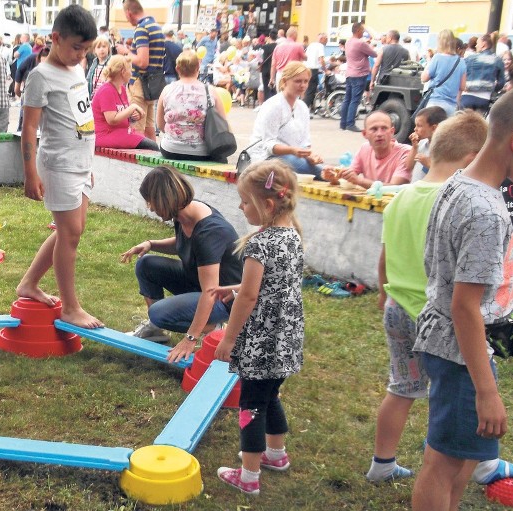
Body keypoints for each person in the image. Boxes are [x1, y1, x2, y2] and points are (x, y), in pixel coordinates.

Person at [371, 111, 513, 487]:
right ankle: (475, 462)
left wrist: (383, 293)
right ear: (472, 156)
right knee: (450, 397)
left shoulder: (401, 198)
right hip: (436, 315)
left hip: (397, 308)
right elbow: (454, 280)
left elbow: (384, 257)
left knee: (402, 388)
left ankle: (382, 461)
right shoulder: (460, 201)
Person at [411, 82, 513, 511]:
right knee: (442, 464)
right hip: (462, 353)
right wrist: (487, 391)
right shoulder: (486, 211)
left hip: (446, 342)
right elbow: (465, 306)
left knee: (458, 460)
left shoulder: (459, 182)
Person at [212, 161, 303, 496]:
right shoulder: (293, 235)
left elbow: (251, 296)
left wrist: (230, 338)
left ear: (266, 205)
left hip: (261, 343)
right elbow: (272, 285)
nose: (240, 207)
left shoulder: (260, 244)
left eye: (245, 201)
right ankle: (276, 455)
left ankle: (248, 477)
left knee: (251, 403)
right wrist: (234, 288)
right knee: (270, 394)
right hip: (286, 340)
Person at [17, 5, 103, 328]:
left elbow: (81, 116)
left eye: (86, 49)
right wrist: (30, 173)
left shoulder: (76, 69)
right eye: (77, 47)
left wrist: (87, 162)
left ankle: (28, 283)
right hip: (58, 165)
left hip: (80, 164)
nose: (81, 55)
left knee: (70, 231)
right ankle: (70, 307)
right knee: (70, 234)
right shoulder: (40, 76)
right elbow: (29, 127)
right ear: (56, 38)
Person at [120, 165, 243, 359]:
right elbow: (182, 243)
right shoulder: (183, 213)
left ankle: (215, 328)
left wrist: (190, 339)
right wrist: (150, 244)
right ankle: (156, 331)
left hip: (224, 299)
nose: (150, 208)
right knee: (146, 264)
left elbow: (210, 292)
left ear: (165, 200)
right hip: (198, 282)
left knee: (159, 313)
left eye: (151, 202)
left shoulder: (208, 232)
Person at [247, 61, 325, 177]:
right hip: (265, 157)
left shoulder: (302, 107)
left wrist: (310, 155)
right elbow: (269, 145)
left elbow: (305, 143)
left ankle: (326, 172)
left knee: (309, 165)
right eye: (298, 81)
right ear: (284, 81)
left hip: (292, 157)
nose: (302, 85)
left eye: (306, 81)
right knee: (313, 169)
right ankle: (325, 173)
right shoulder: (274, 106)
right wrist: (293, 150)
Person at [156, 50, 229, 162]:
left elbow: (160, 125)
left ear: (177, 69)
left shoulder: (167, 90)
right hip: (202, 151)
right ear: (197, 68)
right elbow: (223, 122)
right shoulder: (210, 91)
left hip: (171, 149)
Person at [117, 0, 166, 141]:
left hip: (139, 83)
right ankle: (153, 159)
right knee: (149, 129)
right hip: (152, 85)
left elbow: (142, 61)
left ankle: (137, 162)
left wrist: (125, 52)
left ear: (129, 13)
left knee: (136, 129)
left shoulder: (142, 28)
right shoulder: (156, 27)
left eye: (126, 16)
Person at [92, 55, 157, 150]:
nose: (131, 74)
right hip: (107, 135)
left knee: (151, 145)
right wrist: (132, 107)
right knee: (151, 146)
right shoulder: (106, 90)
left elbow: (123, 115)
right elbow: (112, 119)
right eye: (130, 70)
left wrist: (133, 116)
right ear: (123, 72)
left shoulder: (121, 88)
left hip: (121, 132)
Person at [333, 111, 412, 187]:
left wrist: (359, 181)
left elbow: (395, 187)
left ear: (392, 132)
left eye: (384, 128)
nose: (379, 134)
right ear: (365, 134)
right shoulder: (364, 149)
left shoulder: (406, 152)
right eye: (374, 129)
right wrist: (333, 178)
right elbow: (349, 177)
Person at [339, 23, 376, 132]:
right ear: (359, 31)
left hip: (350, 73)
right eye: (363, 30)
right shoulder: (360, 43)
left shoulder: (348, 42)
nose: (364, 32)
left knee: (347, 99)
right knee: (355, 100)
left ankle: (343, 123)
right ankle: (350, 123)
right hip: (359, 74)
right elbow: (374, 53)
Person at [421, 29, 467, 116]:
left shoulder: (437, 58)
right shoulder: (461, 62)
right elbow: (462, 86)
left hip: (435, 101)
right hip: (451, 105)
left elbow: (424, 78)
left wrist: (428, 63)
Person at [460, 35, 505, 113]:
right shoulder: (497, 60)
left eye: (478, 43)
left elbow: (461, 74)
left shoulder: (470, 58)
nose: (476, 45)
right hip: (484, 97)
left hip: (467, 95)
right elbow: (501, 82)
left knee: (462, 122)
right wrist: (493, 89)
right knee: (478, 123)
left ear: (483, 44)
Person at [406, 106, 448, 182]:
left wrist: (428, 164)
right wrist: (414, 147)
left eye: (419, 126)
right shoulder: (421, 143)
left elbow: (445, 173)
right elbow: (408, 166)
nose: (415, 129)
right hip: (415, 188)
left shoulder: (444, 148)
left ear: (434, 128)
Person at [304, 33, 327, 112]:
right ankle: (304, 109)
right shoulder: (320, 46)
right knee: (310, 91)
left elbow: (306, 57)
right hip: (313, 70)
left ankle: (311, 108)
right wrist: (326, 70)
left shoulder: (311, 45)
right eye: (326, 39)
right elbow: (321, 60)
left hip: (307, 69)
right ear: (321, 39)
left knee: (310, 90)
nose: (326, 41)